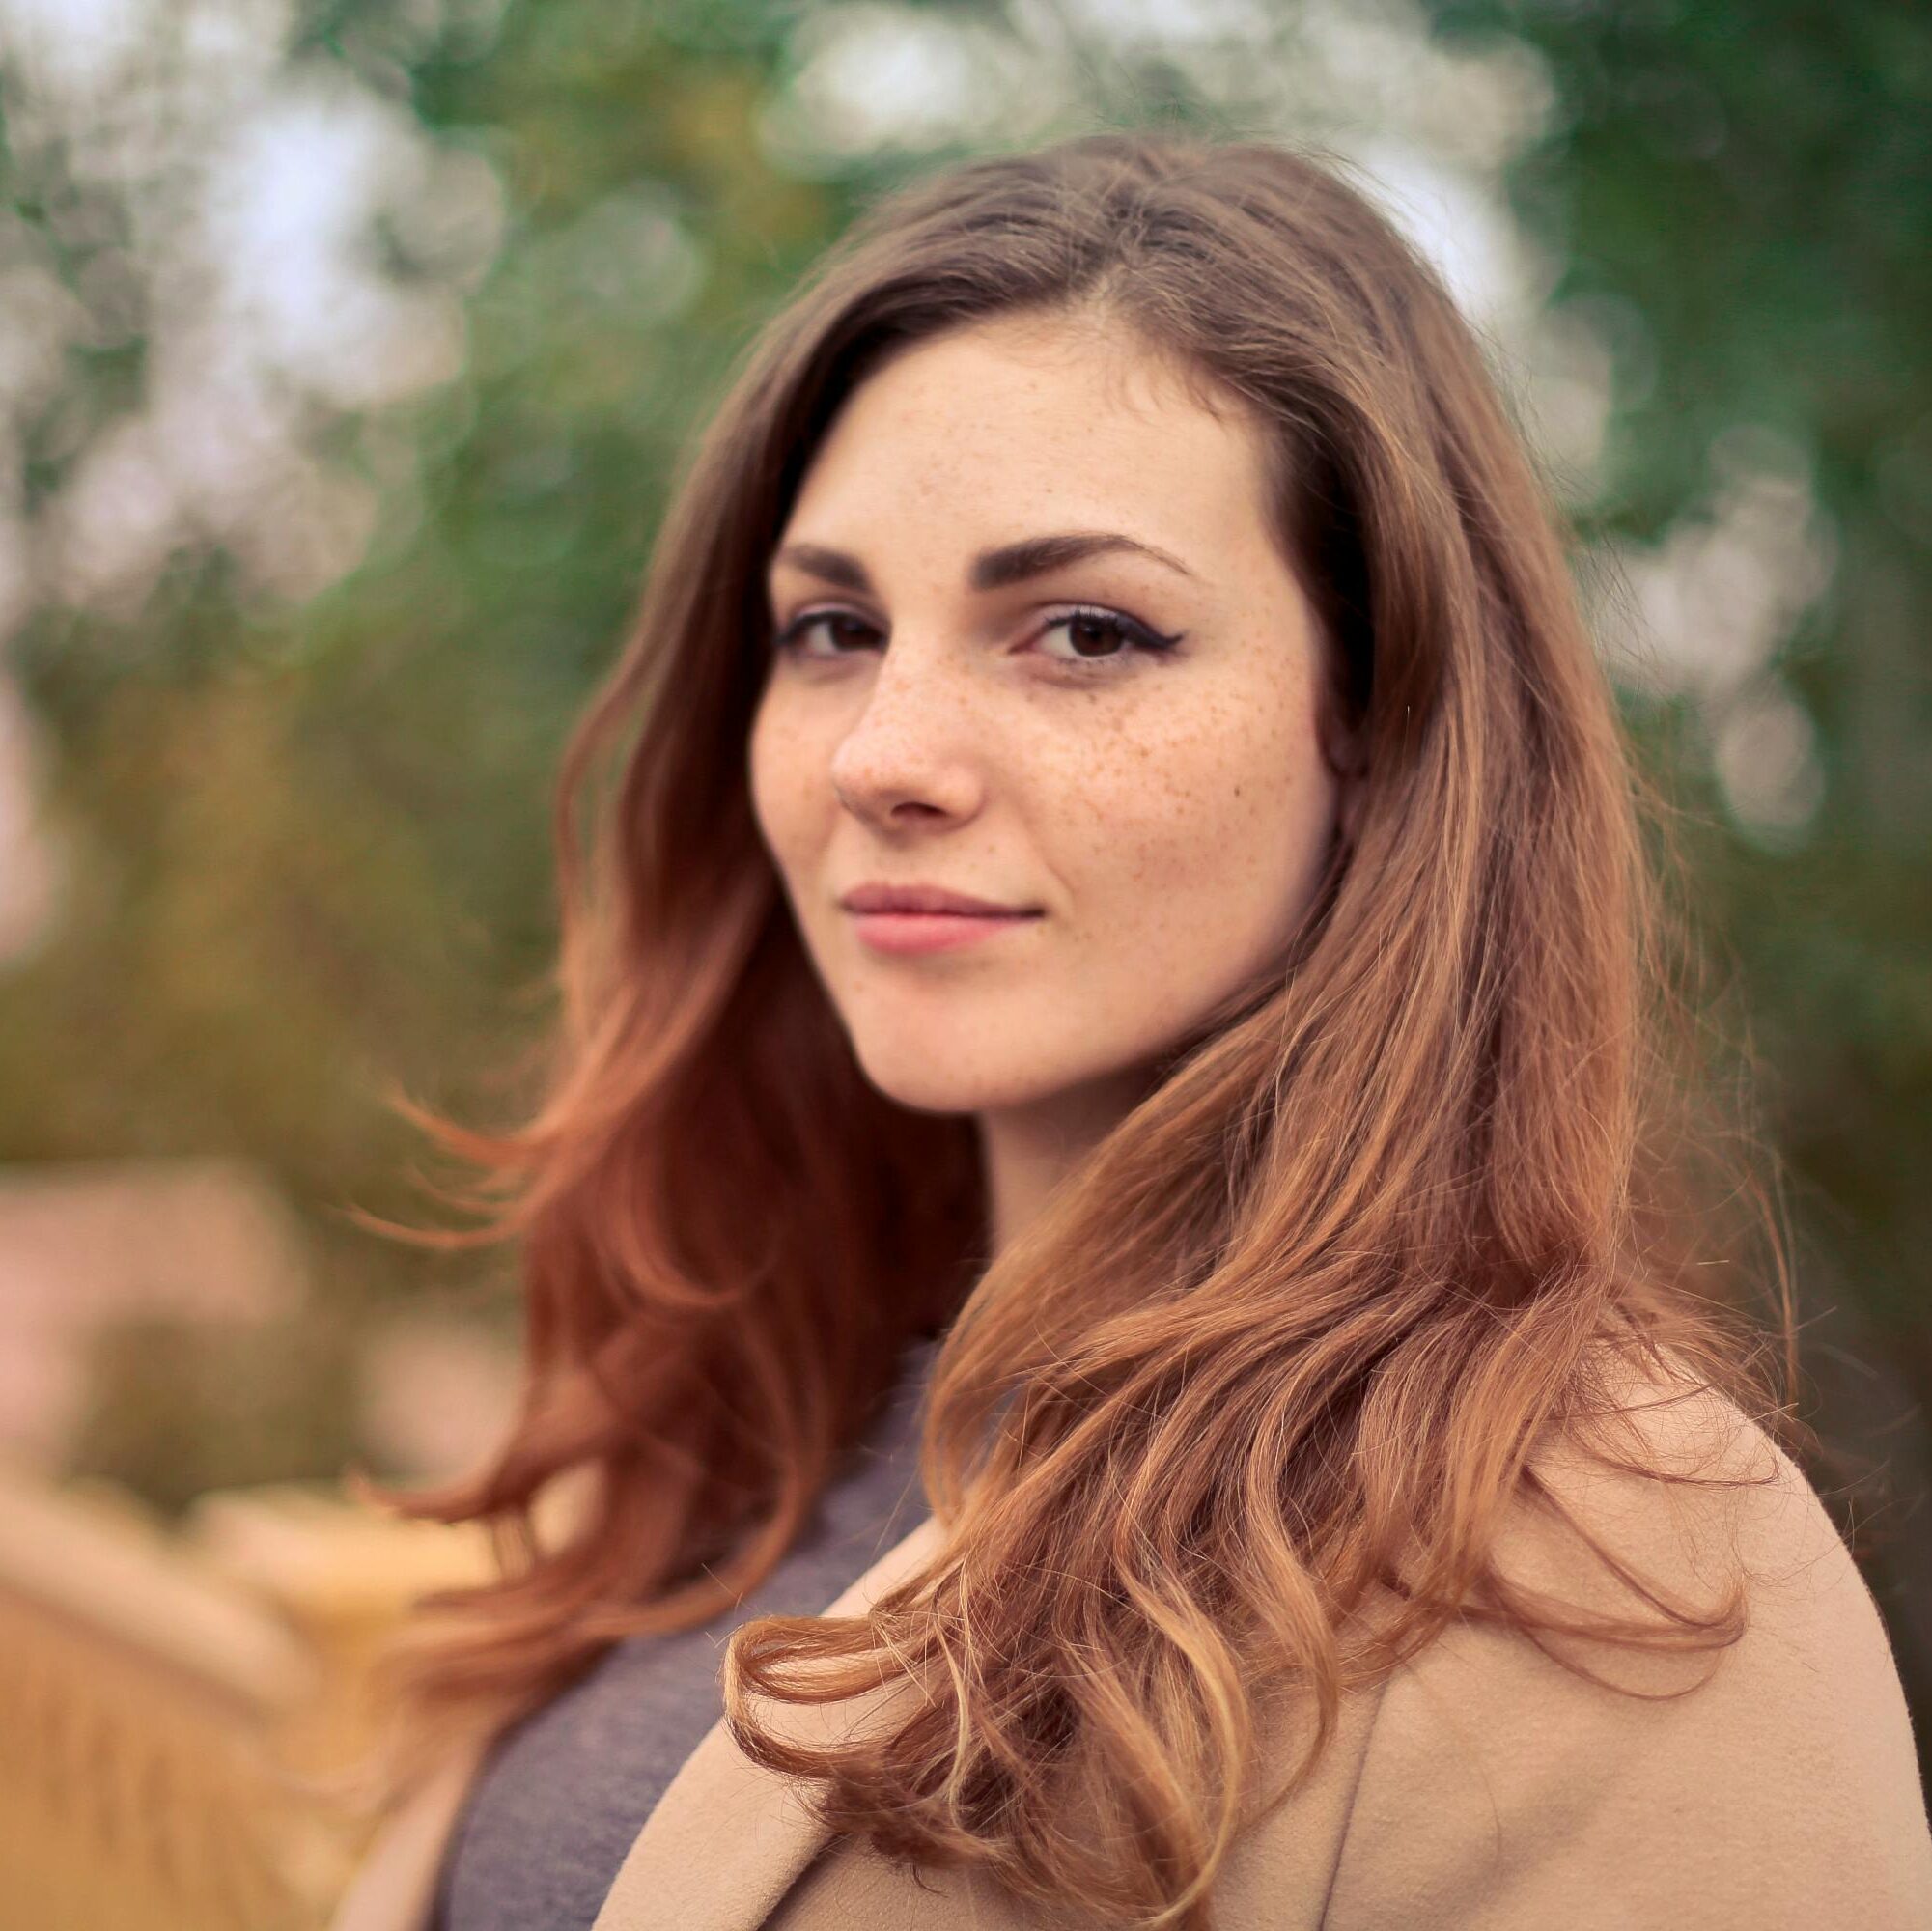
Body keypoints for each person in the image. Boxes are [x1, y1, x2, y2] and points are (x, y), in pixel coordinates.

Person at [326, 130, 1932, 1931]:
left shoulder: (1607, 1569)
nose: (882, 757)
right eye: (832, 627)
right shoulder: (740, 1430)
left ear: (1376, 723)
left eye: (1083, 632)